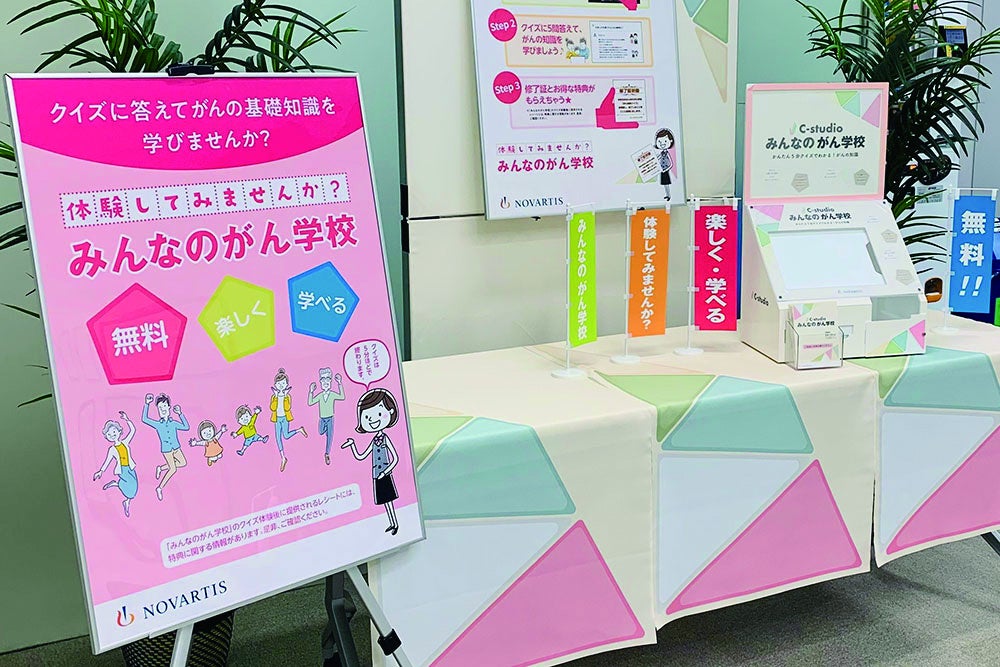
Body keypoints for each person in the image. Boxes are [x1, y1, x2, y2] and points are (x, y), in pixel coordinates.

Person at [341, 388, 401, 535]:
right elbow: (361, 456)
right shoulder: (374, 440)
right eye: (367, 417)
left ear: (390, 412)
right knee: (385, 501)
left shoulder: (384, 438)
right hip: (376, 475)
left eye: (379, 414)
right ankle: (392, 522)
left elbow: (395, 458)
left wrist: (385, 472)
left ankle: (395, 523)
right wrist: (352, 445)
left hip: (384, 475)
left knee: (389, 501)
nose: (373, 420)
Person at [142, 393, 189, 501]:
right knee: (173, 468)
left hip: (176, 447)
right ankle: (159, 488)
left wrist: (180, 414)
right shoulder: (158, 424)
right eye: (160, 408)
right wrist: (147, 404)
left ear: (168, 407)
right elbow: (145, 419)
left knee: (183, 462)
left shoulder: (173, 423)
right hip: (167, 450)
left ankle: (161, 468)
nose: (162, 409)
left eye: (164, 406)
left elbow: (186, 427)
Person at [93, 411, 138, 517]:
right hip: (122, 470)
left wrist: (127, 419)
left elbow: (133, 430)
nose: (112, 435)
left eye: (114, 432)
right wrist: (101, 471)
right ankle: (125, 498)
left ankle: (117, 486)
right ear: (107, 437)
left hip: (130, 467)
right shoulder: (112, 449)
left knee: (134, 486)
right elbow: (107, 461)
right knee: (131, 489)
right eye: (109, 435)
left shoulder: (125, 443)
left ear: (119, 431)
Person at [270, 368, 307, 472]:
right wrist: (276, 397)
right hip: (277, 419)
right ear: (275, 385)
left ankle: (299, 430)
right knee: (278, 438)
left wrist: (285, 396)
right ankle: (283, 458)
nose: (281, 385)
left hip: (285, 418)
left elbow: (287, 408)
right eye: (279, 383)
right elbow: (272, 408)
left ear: (286, 384)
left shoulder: (288, 396)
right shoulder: (274, 397)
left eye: (283, 383)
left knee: (286, 436)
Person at [308, 367, 346, 466]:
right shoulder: (320, 396)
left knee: (330, 436)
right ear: (320, 382)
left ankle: (327, 453)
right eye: (323, 380)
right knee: (320, 432)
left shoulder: (332, 394)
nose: (325, 383)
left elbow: (342, 396)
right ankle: (325, 430)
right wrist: (311, 391)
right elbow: (310, 402)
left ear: (330, 382)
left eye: (328, 380)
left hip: (330, 418)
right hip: (322, 419)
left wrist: (340, 383)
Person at [654, 127, 675, 200]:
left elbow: (671, 163)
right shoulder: (661, 153)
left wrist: (666, 169)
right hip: (662, 171)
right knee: (664, 184)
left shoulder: (667, 153)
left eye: (665, 141)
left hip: (665, 171)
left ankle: (669, 195)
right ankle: (667, 195)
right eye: (659, 142)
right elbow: (658, 158)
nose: (662, 144)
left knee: (666, 184)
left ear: (670, 141)